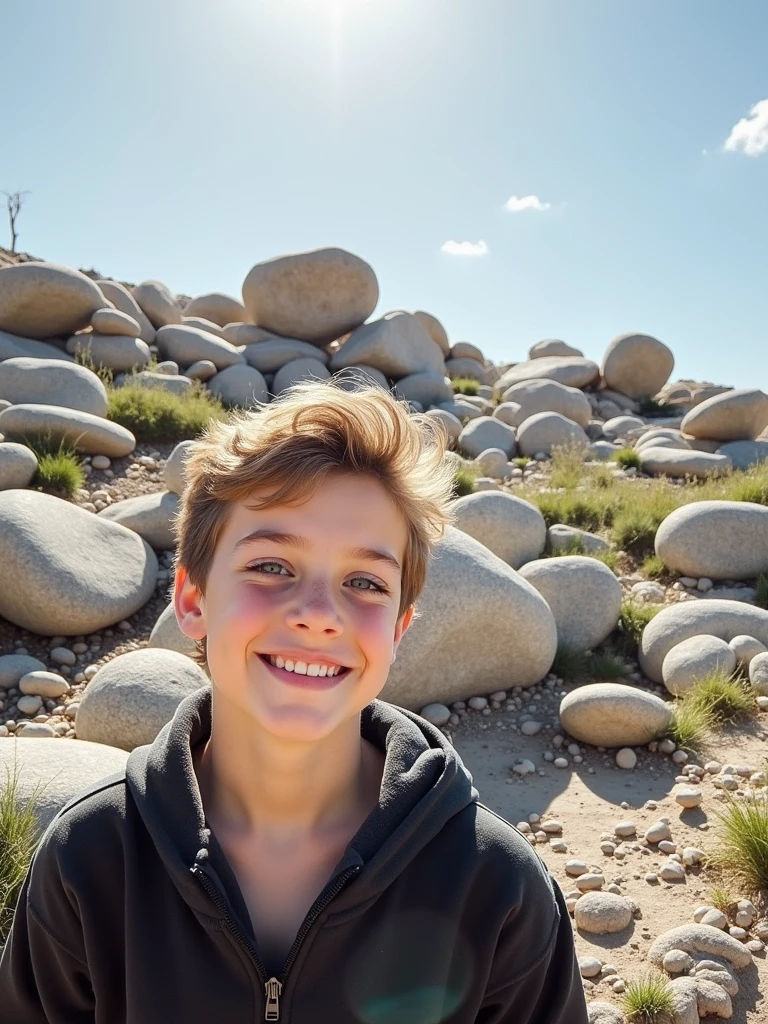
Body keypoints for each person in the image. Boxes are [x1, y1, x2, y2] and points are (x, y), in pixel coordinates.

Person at [0, 378, 588, 1023]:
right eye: (271, 566)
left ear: (396, 629)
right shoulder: (89, 860)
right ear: (193, 599)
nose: (317, 615)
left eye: (364, 581)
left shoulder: (495, 886)